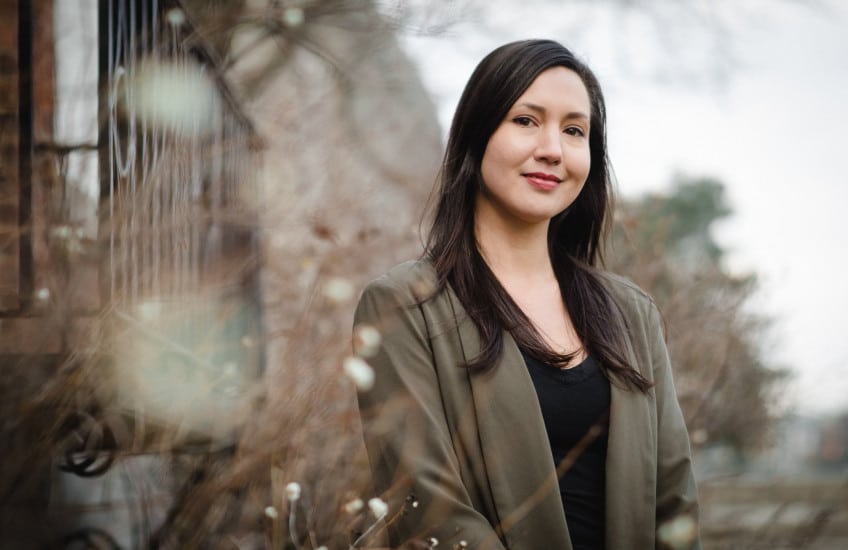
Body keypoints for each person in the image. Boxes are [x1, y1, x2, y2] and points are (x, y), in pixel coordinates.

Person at [352, 39, 700, 550]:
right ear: (476, 134)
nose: (553, 150)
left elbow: (675, 499)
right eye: (526, 120)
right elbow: (425, 505)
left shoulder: (631, 313)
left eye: (574, 130)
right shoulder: (405, 307)